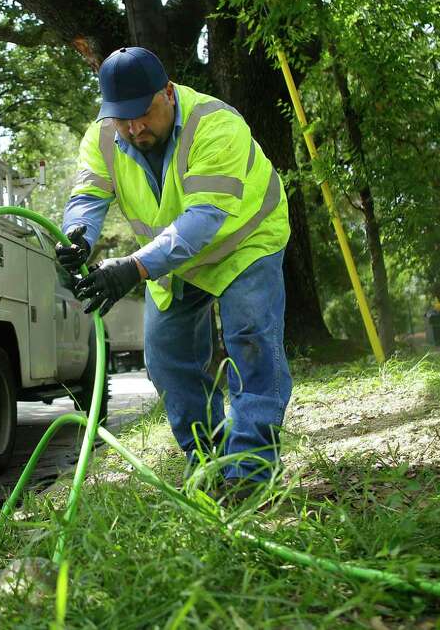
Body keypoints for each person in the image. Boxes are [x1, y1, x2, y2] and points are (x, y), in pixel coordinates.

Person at [57, 47, 292, 498]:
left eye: (143, 114)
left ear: (168, 93)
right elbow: (88, 196)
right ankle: (207, 462)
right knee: (167, 361)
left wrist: (134, 267)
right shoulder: (104, 136)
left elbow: (204, 218)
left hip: (243, 244)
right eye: (122, 119)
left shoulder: (216, 124)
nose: (134, 129)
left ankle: (249, 473)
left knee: (251, 344)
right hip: (173, 258)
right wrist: (78, 235)